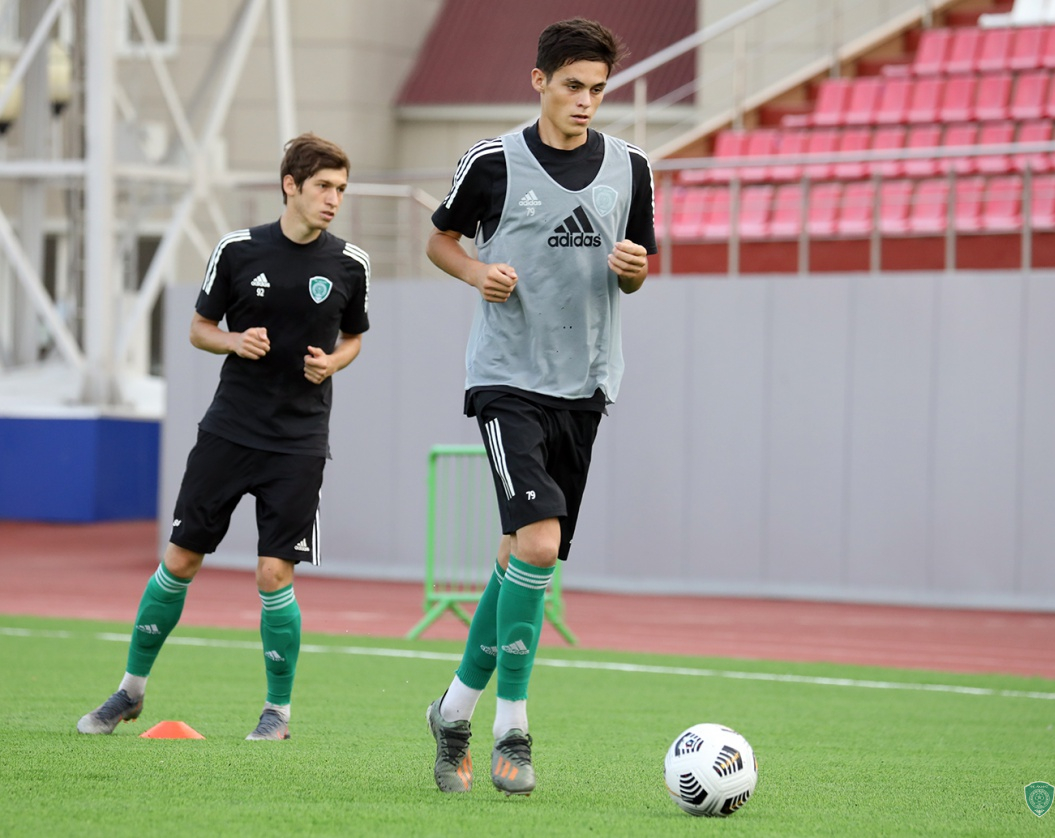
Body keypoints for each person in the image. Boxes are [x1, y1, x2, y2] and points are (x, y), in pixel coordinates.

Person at [424, 18, 656, 795]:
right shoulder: (493, 162)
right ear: (540, 82)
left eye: (598, 89)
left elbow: (637, 273)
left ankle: (452, 711)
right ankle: (512, 732)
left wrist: (633, 270)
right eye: (573, 86)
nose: (586, 101)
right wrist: (476, 272)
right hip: (507, 379)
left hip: (585, 385)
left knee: (518, 558)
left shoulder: (632, 168)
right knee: (539, 545)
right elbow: (440, 241)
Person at [77, 133, 371, 741]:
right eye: (323, 186)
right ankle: (130, 692)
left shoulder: (351, 263)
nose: (333, 199)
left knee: (273, 573)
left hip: (299, 442)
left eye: (341, 189)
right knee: (181, 559)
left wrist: (334, 363)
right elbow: (198, 328)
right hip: (229, 431)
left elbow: (354, 339)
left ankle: (277, 713)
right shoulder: (237, 250)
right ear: (290, 185)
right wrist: (235, 341)